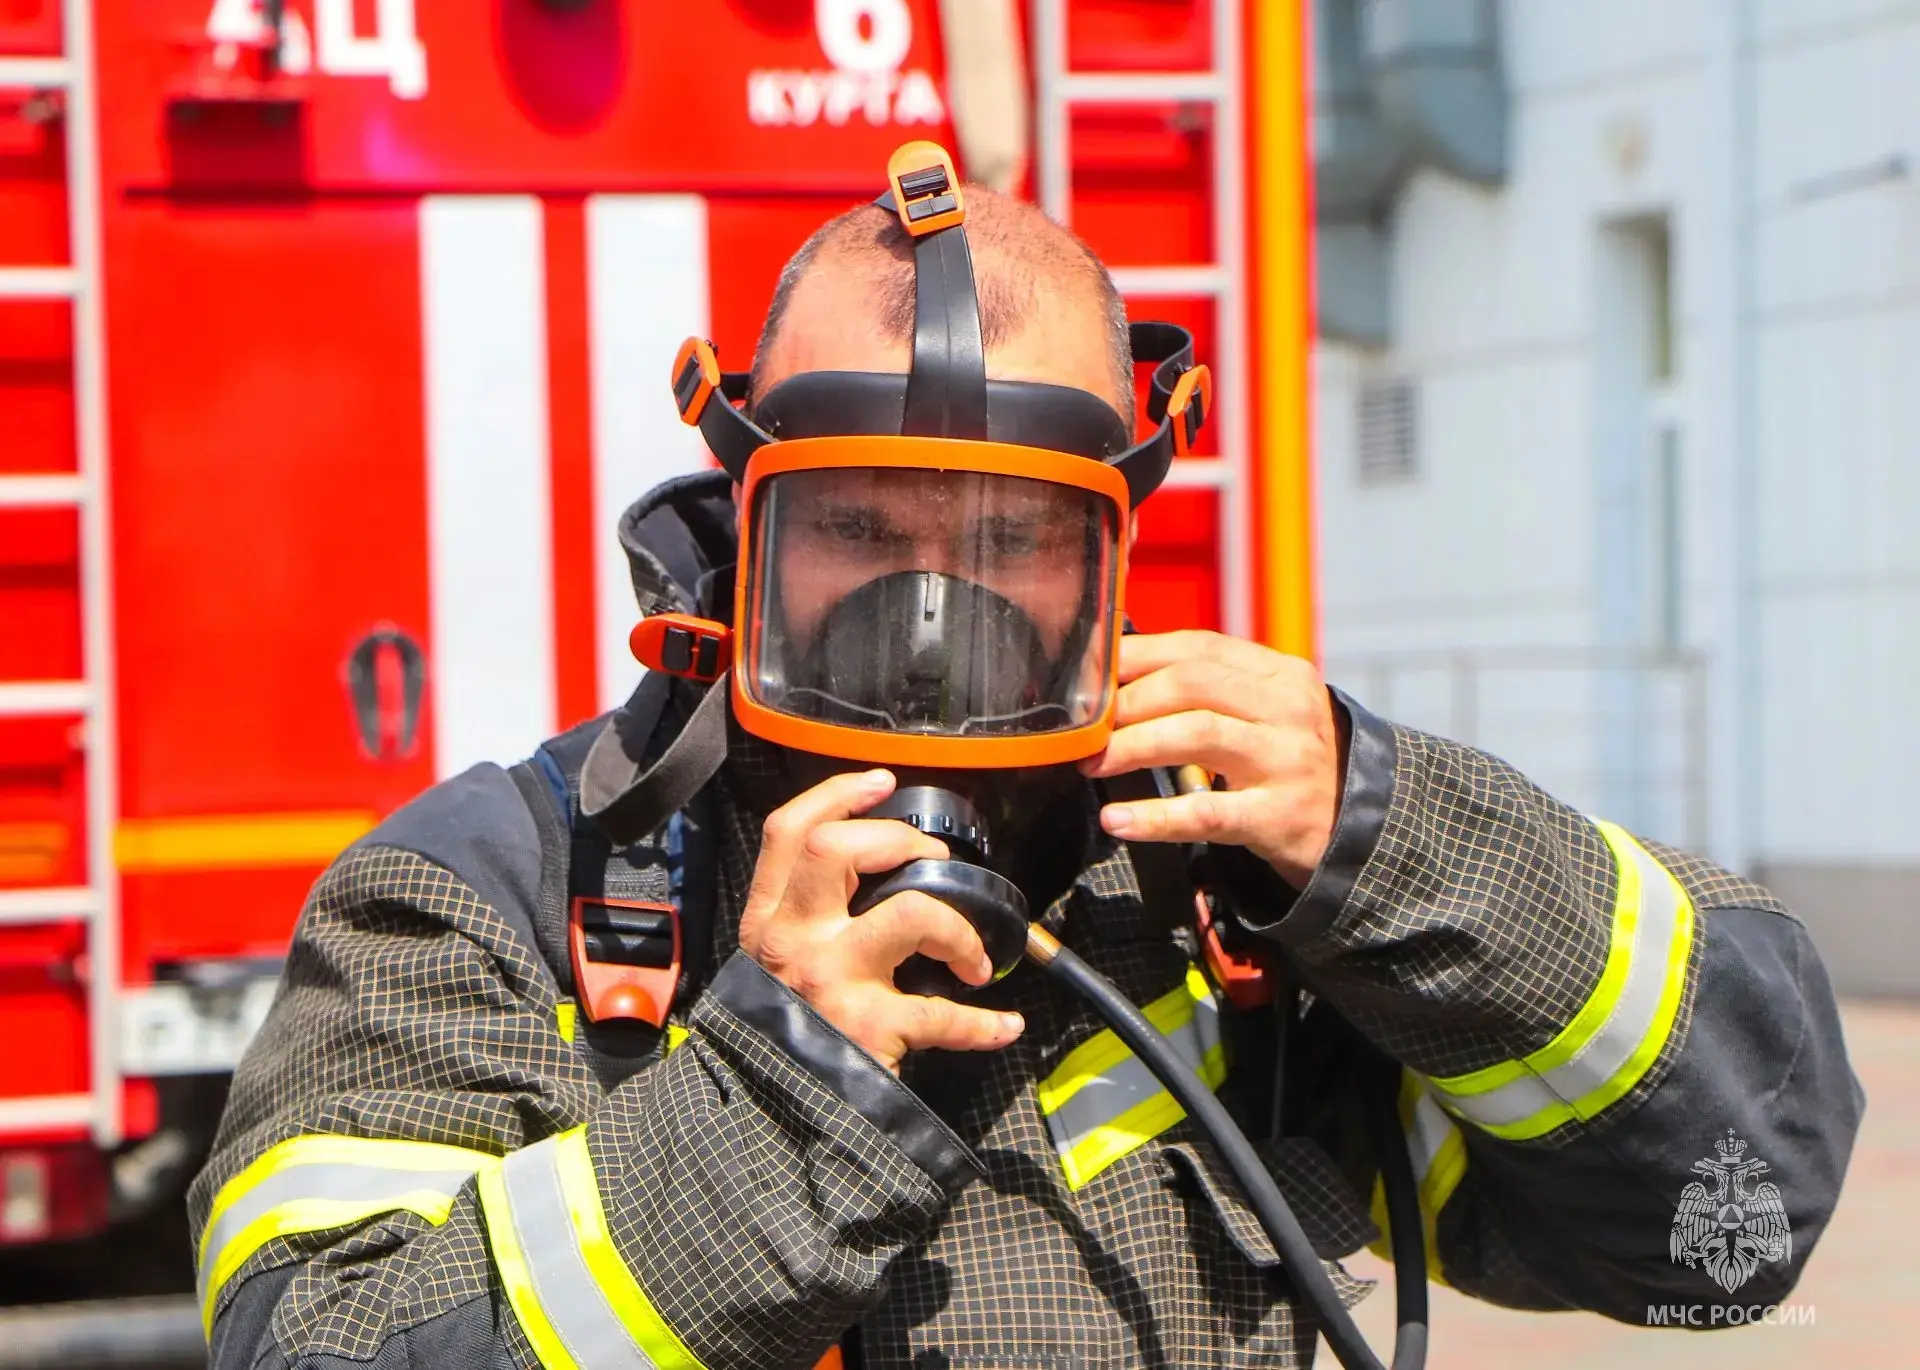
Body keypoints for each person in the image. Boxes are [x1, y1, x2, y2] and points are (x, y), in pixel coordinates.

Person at [190, 170, 1863, 1370]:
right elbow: (315, 1339)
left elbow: (1731, 1222)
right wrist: (776, 1093)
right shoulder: (499, 898)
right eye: (859, 526)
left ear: (1115, 557)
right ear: (744, 524)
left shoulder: (1223, 899)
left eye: (1009, 539)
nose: (930, 623)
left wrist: (1391, 835)